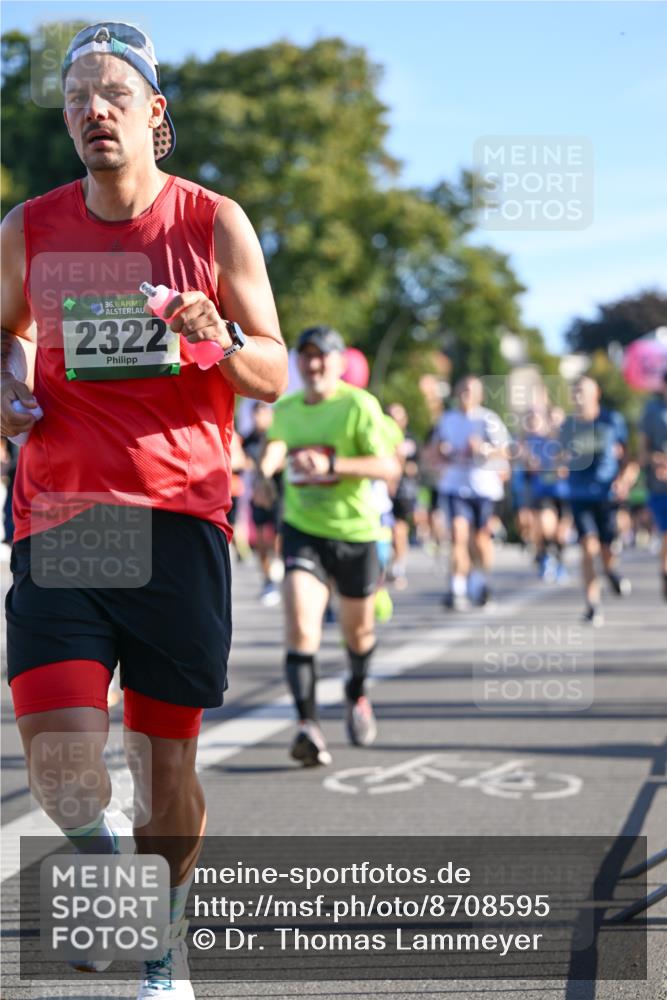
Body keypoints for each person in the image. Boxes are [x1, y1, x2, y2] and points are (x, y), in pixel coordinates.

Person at [1, 21, 287, 1000]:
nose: (93, 110)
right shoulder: (28, 228)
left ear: (155, 114)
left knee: (169, 773)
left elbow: (272, 370)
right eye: (77, 96)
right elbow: (1, 342)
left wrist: (213, 340)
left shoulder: (213, 222)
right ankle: (103, 849)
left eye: (114, 94)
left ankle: (164, 942)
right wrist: (5, 395)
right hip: (63, 514)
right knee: (61, 767)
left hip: (179, 514)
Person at [259, 326, 400, 766]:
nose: (314, 365)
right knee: (301, 623)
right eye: (306, 357)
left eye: (323, 357)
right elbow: (277, 444)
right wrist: (264, 474)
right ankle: (308, 726)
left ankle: (356, 692)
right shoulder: (287, 408)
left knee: (359, 634)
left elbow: (387, 466)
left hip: (356, 534)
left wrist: (333, 463)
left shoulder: (358, 405)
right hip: (305, 530)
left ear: (340, 363)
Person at [558, 377, 637, 626]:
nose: (579, 397)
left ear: (596, 394)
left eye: (583, 391)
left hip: (606, 495)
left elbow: (628, 457)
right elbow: (559, 457)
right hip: (579, 494)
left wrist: (624, 480)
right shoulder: (568, 425)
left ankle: (611, 572)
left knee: (605, 549)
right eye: (575, 392)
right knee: (587, 547)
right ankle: (592, 604)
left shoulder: (612, 421)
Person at [431, 376, 510, 610]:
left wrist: (483, 449)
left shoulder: (488, 420)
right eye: (462, 389)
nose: (466, 394)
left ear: (479, 395)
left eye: (471, 390)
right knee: (458, 533)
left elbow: (505, 452)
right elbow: (435, 450)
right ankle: (456, 588)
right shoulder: (447, 419)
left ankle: (480, 582)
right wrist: (442, 453)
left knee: (480, 539)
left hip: (483, 488)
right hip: (455, 486)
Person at [243, 401, 283, 605]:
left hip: (279, 495)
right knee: (260, 542)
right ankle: (268, 579)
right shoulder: (248, 440)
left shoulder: (278, 437)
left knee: (277, 538)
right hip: (257, 496)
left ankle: (277, 572)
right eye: (257, 412)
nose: (260, 416)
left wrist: (271, 464)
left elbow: (283, 460)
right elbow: (241, 461)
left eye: (264, 412)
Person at [639, 371, 667, 600]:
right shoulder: (652, 413)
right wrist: (654, 459)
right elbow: (642, 452)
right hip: (659, 486)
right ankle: (665, 573)